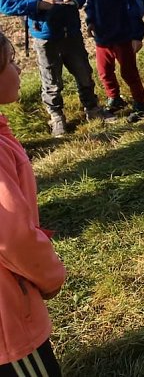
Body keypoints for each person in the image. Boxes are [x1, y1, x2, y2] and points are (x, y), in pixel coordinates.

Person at [0, 0, 110, 137]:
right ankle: (57, 117)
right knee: (51, 80)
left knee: (84, 73)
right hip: (46, 37)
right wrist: (37, 4)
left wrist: (75, 0)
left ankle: (93, 109)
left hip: (71, 34)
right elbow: (5, 3)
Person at [0, 30, 66, 377]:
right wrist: (51, 275)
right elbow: (12, 237)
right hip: (6, 321)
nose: (18, 68)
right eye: (10, 62)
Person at [83, 0, 144, 123]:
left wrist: (136, 36)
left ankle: (140, 103)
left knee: (128, 72)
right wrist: (90, 21)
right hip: (102, 38)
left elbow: (133, 8)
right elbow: (91, 3)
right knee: (104, 71)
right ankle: (115, 98)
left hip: (123, 36)